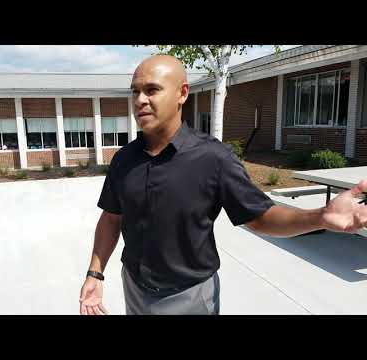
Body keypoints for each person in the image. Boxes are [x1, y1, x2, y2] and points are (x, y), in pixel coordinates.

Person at [79, 55, 367, 315]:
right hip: (134, 289)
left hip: (189, 299)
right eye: (135, 91)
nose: (140, 100)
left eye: (151, 90)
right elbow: (112, 217)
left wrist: (319, 217)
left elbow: (261, 217)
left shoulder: (213, 158)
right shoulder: (124, 159)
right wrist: (96, 273)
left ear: (182, 93)